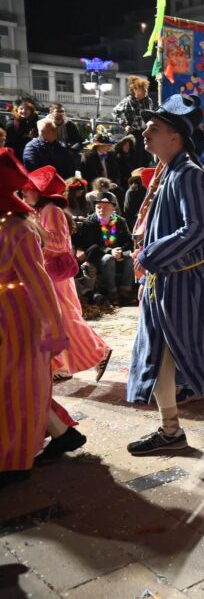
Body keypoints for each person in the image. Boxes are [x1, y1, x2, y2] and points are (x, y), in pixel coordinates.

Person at [125, 94, 204, 457]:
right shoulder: (167, 172)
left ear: (175, 136)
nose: (145, 133)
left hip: (188, 285)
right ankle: (170, 430)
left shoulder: (190, 174)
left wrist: (150, 255)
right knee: (158, 358)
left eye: (153, 128)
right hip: (163, 283)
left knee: (199, 355)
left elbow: (196, 229)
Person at [0, 149, 84, 488]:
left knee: (16, 388)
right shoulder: (9, 225)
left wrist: (54, 332)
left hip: (19, 323)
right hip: (8, 319)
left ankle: (15, 460)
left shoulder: (19, 231)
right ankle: (61, 433)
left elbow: (41, 285)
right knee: (17, 386)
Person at [22, 166, 113, 381]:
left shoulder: (51, 211)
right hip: (49, 273)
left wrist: (34, 232)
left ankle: (99, 351)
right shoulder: (42, 211)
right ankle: (60, 365)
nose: (24, 192)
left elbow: (60, 244)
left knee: (66, 318)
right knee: (56, 319)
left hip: (56, 276)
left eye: (28, 188)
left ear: (40, 191)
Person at [72, 191, 135, 305]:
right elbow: (91, 244)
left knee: (130, 259)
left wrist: (120, 250)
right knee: (108, 258)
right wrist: (110, 251)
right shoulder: (90, 222)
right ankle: (112, 292)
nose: (102, 210)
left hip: (117, 252)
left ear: (113, 208)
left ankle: (125, 291)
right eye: (98, 207)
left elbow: (128, 240)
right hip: (98, 254)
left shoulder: (120, 221)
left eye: (105, 207)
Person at [111, 76, 156, 168]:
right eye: (142, 89)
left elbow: (152, 115)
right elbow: (115, 112)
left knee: (147, 157)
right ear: (135, 90)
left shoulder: (148, 101)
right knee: (135, 157)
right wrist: (125, 125)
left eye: (145, 89)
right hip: (134, 132)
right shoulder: (128, 101)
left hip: (146, 132)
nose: (145, 91)